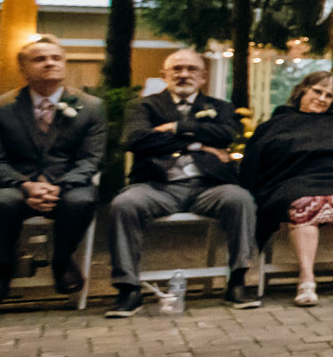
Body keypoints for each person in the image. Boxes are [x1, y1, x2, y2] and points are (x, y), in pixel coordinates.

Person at [106, 48, 257, 316]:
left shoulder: (220, 107)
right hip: (156, 185)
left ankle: (237, 281)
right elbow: (137, 140)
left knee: (240, 199)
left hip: (209, 186)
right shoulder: (143, 106)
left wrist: (174, 129)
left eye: (191, 69)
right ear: (165, 75)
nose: (184, 74)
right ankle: (128, 289)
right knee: (123, 204)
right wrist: (201, 143)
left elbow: (225, 135)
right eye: (177, 69)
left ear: (203, 77)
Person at [0, 35, 106, 301]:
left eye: (56, 58)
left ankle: (63, 261)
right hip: (15, 187)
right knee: (0, 202)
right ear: (23, 69)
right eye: (40, 59)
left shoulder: (91, 107)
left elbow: (91, 159)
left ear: (64, 65)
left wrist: (57, 187)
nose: (49, 63)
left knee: (82, 200)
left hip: (65, 187)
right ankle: (1, 266)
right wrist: (25, 184)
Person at [238, 71, 333, 306]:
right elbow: (257, 162)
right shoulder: (278, 124)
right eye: (317, 91)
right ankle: (306, 278)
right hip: (294, 181)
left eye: (328, 95)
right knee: (304, 201)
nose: (322, 98)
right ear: (303, 90)